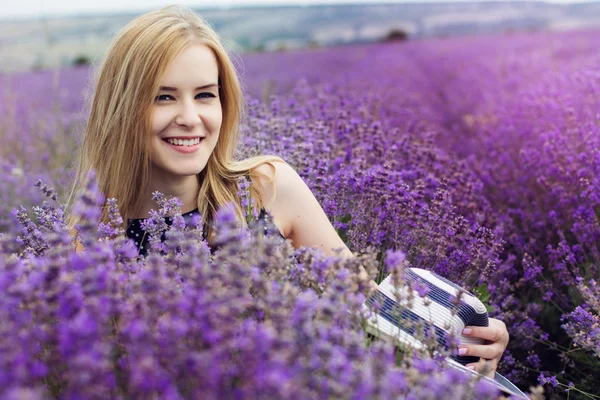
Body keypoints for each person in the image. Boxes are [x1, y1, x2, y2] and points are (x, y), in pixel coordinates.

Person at [66, 5, 508, 377]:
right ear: (121, 107)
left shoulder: (265, 189)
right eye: (163, 97)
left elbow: (368, 310)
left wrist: (472, 341)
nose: (190, 117)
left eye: (205, 95)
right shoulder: (87, 243)